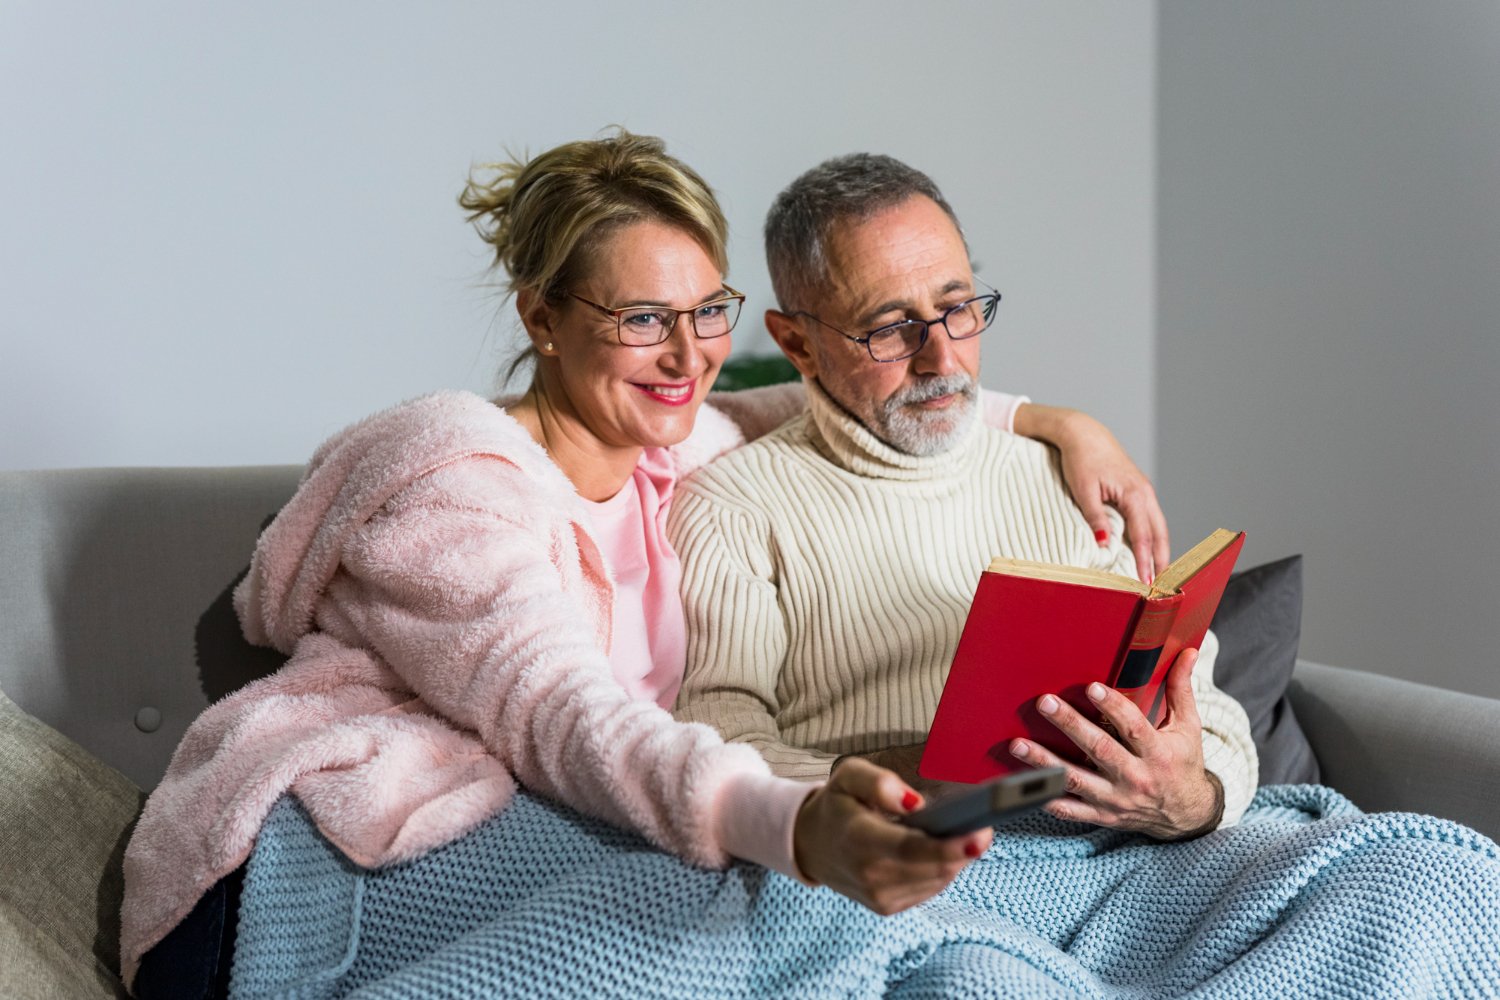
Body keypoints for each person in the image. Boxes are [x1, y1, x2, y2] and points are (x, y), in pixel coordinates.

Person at [117, 131, 1173, 996]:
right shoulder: (454, 480)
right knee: (743, 914)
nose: (688, 356)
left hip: (553, 815)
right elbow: (564, 713)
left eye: (707, 311)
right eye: (641, 320)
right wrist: (795, 822)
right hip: (316, 861)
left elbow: (855, 382)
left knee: (776, 914)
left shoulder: (678, 445)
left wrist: (1054, 420)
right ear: (541, 317)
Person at [670, 152, 1257, 839]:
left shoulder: (1065, 478)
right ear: (797, 343)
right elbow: (718, 758)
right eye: (891, 328)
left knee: (1406, 871)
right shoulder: (734, 508)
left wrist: (1188, 797)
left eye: (958, 308)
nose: (942, 359)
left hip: (1133, 849)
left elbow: (1214, 721)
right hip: (909, 858)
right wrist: (921, 777)